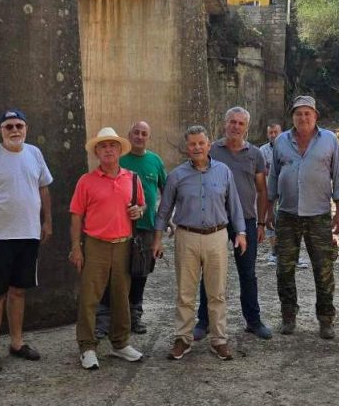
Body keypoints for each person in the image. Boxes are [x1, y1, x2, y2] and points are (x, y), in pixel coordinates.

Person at [0, 109, 53, 373]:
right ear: (1, 131)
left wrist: (47, 221)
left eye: (19, 125)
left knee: (19, 291)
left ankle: (17, 343)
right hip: (0, 237)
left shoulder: (35, 154)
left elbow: (44, 188)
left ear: (26, 128)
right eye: (9, 127)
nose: (15, 130)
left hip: (28, 235)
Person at [152, 126, 246, 361]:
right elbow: (164, 211)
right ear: (186, 147)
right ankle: (183, 339)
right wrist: (157, 239)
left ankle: (219, 340)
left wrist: (241, 232)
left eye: (201, 143)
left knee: (217, 293)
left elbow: (234, 205)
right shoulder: (177, 175)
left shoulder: (223, 172)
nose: (196, 148)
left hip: (217, 236)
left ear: (209, 144)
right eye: (192, 144)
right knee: (185, 293)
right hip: (187, 237)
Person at [266, 95, 339, 339]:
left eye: (307, 113)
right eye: (298, 113)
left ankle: (325, 319)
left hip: (319, 215)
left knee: (323, 269)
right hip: (287, 215)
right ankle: (288, 317)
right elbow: (273, 178)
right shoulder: (281, 141)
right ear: (292, 117)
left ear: (315, 116)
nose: (303, 118)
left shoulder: (329, 140)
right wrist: (270, 210)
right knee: (284, 268)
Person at [69, 127, 147, 370]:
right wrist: (76, 248)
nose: (108, 150)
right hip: (95, 245)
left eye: (112, 145)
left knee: (121, 296)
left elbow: (141, 206)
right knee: (90, 298)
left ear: (119, 150)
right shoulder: (86, 181)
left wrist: (139, 211)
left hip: (123, 245)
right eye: (103, 146)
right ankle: (87, 347)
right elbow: (76, 216)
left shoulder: (132, 178)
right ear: (97, 152)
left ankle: (120, 343)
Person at [194, 107, 273, 341]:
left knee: (247, 273)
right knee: (209, 272)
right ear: (224, 124)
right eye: (232, 122)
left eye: (240, 123)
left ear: (246, 127)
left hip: (246, 221)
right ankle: (204, 321)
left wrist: (260, 223)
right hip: (216, 221)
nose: (236, 127)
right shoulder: (212, 151)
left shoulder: (255, 154)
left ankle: (254, 321)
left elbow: (261, 190)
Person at [95, 121, 167, 337]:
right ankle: (106, 319)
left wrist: (163, 225)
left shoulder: (155, 161)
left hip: (146, 228)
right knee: (113, 273)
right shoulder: (119, 160)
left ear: (148, 137)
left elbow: (167, 193)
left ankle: (135, 315)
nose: (139, 136)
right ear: (129, 135)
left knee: (140, 273)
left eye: (144, 133)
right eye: (136, 132)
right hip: (120, 228)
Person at [259, 121, 282, 266]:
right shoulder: (262, 151)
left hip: (287, 191)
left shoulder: (290, 147)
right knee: (270, 220)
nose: (273, 135)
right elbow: (261, 171)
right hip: (269, 191)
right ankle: (274, 252)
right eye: (270, 133)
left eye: (275, 132)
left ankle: (289, 252)